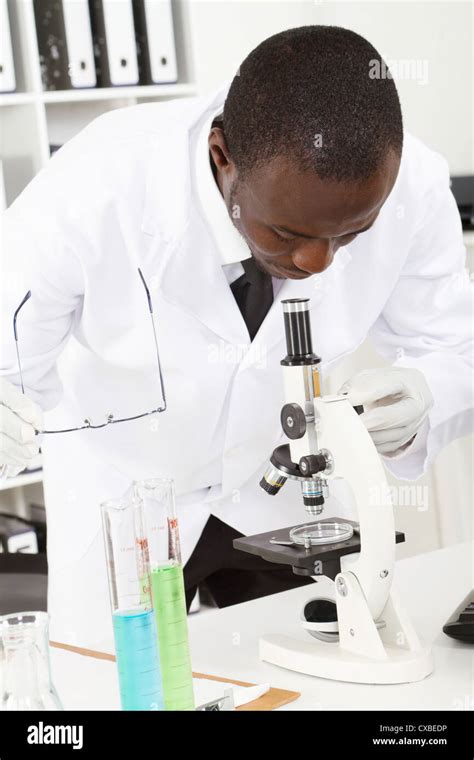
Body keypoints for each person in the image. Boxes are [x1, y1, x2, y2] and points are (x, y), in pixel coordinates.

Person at [0, 27, 471, 648]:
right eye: (285, 232)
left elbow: (454, 348)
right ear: (223, 156)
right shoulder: (97, 186)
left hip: (284, 493)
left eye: (349, 235)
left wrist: (421, 394)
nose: (317, 262)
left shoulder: (410, 185)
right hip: (129, 495)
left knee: (323, 675)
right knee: (119, 682)